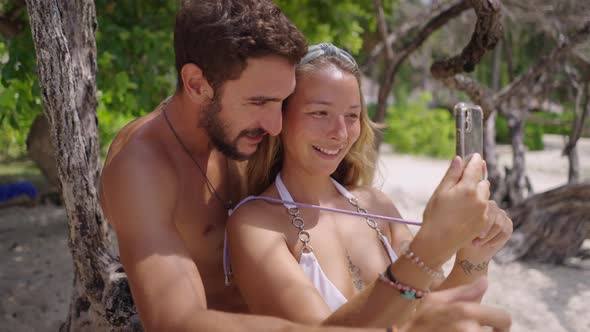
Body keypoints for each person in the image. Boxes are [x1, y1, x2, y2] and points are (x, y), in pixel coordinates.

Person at [99, 1, 511, 331]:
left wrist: (469, 257)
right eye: (260, 101)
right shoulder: (144, 166)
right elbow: (176, 322)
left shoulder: (247, 138)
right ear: (196, 84)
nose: (276, 124)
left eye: (283, 102)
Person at [227, 43, 513, 329]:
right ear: (281, 117)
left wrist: (474, 255)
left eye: (352, 116)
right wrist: (430, 244)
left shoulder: (376, 205)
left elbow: (440, 313)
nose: (339, 133)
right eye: (320, 113)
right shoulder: (256, 224)